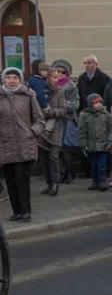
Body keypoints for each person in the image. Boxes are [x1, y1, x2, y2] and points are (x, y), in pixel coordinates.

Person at [0, 67, 44, 222]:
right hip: (6, 146)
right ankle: (16, 211)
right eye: (8, 77)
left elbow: (39, 119)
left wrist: (32, 132)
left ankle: (26, 211)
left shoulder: (28, 95)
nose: (11, 80)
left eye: (15, 77)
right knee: (10, 182)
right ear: (4, 79)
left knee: (22, 180)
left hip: (25, 144)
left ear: (20, 80)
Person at [40, 63, 76, 196]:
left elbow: (63, 111)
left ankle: (55, 184)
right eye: (54, 77)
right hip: (42, 127)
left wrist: (51, 112)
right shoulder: (42, 92)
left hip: (56, 127)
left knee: (53, 156)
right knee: (43, 158)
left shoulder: (60, 92)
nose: (57, 79)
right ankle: (48, 183)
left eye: (57, 77)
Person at [50, 59, 80, 185]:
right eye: (58, 72)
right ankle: (62, 172)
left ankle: (68, 172)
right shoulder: (51, 85)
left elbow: (76, 103)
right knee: (56, 148)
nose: (60, 74)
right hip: (54, 119)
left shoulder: (71, 86)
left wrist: (62, 105)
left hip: (67, 119)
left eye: (63, 72)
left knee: (65, 148)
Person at [78, 94, 112, 192]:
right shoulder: (84, 115)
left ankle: (102, 181)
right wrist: (83, 145)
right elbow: (82, 131)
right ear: (91, 104)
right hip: (91, 146)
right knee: (93, 165)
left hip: (104, 145)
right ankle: (95, 182)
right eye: (96, 103)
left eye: (100, 102)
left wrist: (110, 141)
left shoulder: (106, 115)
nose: (99, 105)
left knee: (102, 164)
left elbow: (111, 128)